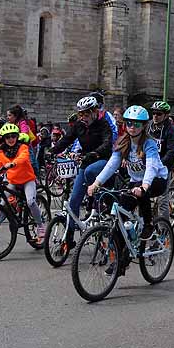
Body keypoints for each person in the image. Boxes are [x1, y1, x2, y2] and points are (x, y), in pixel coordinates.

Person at [88, 105, 168, 272]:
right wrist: (96, 183)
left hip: (156, 180)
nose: (132, 127)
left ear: (144, 125)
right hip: (136, 181)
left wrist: (145, 186)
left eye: (137, 124)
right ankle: (121, 259)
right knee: (120, 216)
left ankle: (148, 224)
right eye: (129, 123)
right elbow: (112, 165)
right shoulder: (123, 142)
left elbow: (152, 166)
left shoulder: (149, 144)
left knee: (142, 194)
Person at [51, 96, 115, 240]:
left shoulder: (103, 124)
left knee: (90, 171)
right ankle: (69, 236)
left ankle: (97, 199)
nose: (83, 117)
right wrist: (52, 152)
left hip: (102, 160)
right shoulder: (78, 126)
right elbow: (66, 140)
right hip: (86, 161)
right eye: (80, 114)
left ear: (94, 112)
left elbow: (107, 143)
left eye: (86, 114)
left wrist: (95, 153)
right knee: (73, 200)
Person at [0, 123, 45, 252]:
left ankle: (40, 225)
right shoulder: (1, 151)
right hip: (13, 181)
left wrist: (12, 164)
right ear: (4, 139)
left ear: (17, 137)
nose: (10, 139)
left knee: (30, 201)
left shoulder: (23, 147)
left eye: (13, 136)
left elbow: (23, 158)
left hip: (28, 180)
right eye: (7, 137)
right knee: (1, 207)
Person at [148, 101, 174, 172]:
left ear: (166, 115)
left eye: (159, 114)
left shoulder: (171, 129)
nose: (155, 116)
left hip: (162, 164)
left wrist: (159, 163)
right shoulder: (148, 125)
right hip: (148, 161)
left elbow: (172, 151)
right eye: (153, 113)